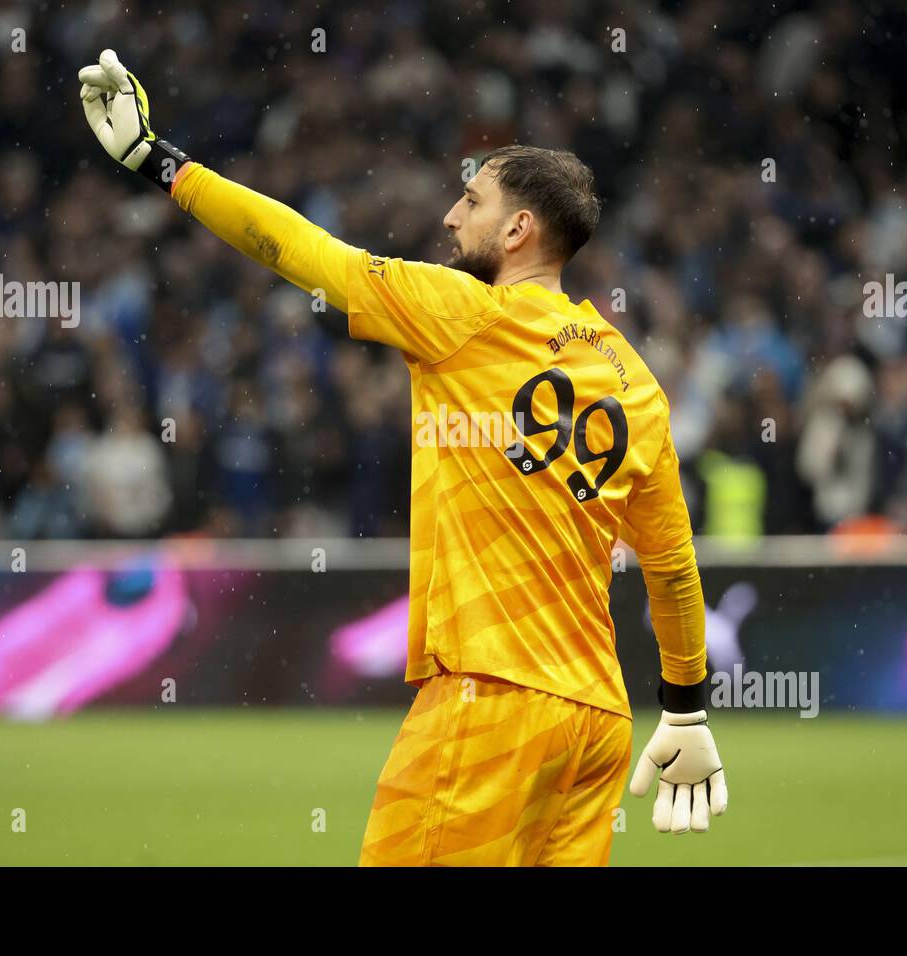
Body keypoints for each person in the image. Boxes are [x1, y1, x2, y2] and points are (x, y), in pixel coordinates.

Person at [78, 49, 727, 866]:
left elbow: (301, 250)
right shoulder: (638, 383)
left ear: (519, 229)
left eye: (471, 200)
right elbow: (671, 567)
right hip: (596, 721)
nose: (452, 219)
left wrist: (157, 161)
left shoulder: (462, 313)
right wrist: (687, 709)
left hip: (491, 699)